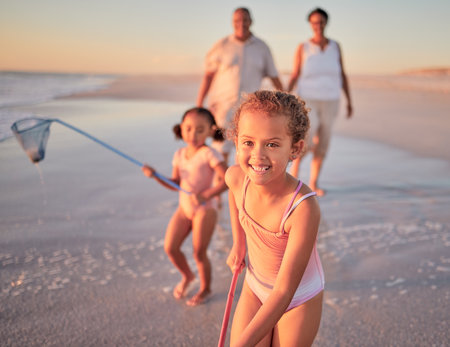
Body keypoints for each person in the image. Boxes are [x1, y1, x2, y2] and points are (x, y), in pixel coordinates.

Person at [225, 90, 324, 346]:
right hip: (255, 286)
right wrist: (239, 243)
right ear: (236, 141)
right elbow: (235, 200)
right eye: (248, 142)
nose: (257, 155)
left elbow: (284, 291)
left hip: (295, 298)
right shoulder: (236, 177)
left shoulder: (303, 208)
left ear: (295, 148)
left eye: (272, 144)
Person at [142, 107, 228, 306]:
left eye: (200, 129)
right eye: (188, 129)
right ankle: (188, 276)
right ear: (181, 129)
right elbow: (175, 184)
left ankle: (206, 288)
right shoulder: (180, 154)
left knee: (199, 252)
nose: (193, 134)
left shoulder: (210, 153)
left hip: (205, 210)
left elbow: (227, 180)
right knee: (170, 248)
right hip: (184, 209)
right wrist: (155, 176)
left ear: (210, 130)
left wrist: (206, 194)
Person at [196, 7, 283, 164]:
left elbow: (274, 76)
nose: (241, 24)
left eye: (245, 20)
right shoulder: (222, 45)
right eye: (237, 20)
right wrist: (199, 103)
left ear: (251, 22)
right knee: (220, 149)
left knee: (246, 149)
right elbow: (208, 76)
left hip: (250, 107)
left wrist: (285, 101)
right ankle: (222, 185)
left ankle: (238, 188)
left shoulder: (262, 47)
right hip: (222, 107)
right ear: (232, 23)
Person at [287, 7, 353, 196]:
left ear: (326, 23)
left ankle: (314, 183)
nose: (318, 25)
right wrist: (285, 96)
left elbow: (342, 74)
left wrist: (349, 101)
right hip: (308, 99)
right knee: (306, 139)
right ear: (310, 25)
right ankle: (293, 180)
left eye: (321, 22)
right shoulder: (303, 47)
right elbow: (295, 74)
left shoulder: (335, 46)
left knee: (324, 141)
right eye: (314, 22)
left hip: (331, 100)